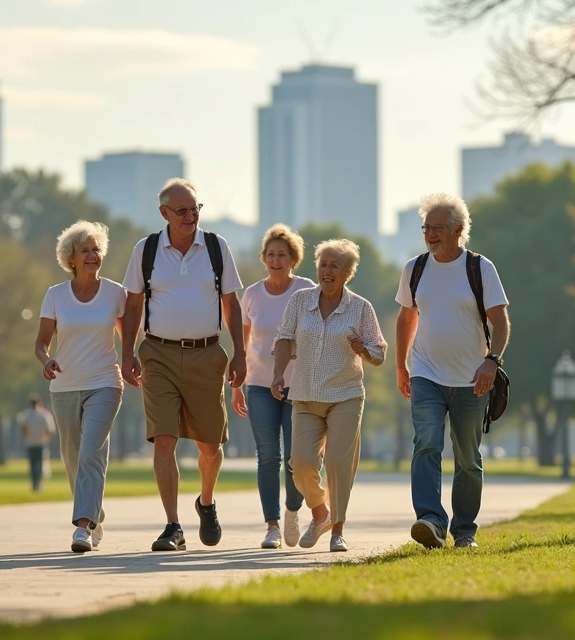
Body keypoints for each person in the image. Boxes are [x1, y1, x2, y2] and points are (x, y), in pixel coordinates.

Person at [120, 178, 245, 552]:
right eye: (182, 211)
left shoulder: (216, 247)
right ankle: (172, 525)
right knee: (164, 439)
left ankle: (205, 502)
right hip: (157, 354)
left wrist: (239, 352)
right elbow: (132, 305)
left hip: (207, 354)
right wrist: (127, 353)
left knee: (210, 446)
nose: (190, 217)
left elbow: (232, 305)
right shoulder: (147, 250)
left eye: (195, 209)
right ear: (164, 214)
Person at [395, 193, 510, 549]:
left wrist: (492, 360)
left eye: (438, 228)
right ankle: (430, 520)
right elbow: (406, 317)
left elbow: (501, 321)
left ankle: (464, 532)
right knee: (426, 442)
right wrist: (401, 364)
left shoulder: (479, 268)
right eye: (426, 227)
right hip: (425, 373)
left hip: (472, 379)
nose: (430, 234)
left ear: (458, 230)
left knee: (468, 459)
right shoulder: (415, 269)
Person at [271, 239, 386, 553]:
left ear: (348, 273)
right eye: (323, 264)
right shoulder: (300, 301)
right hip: (305, 395)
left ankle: (338, 530)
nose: (327, 270)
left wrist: (364, 348)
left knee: (337, 462)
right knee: (301, 463)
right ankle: (320, 514)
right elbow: (284, 337)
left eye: (335, 265)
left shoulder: (361, 308)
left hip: (345, 395)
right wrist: (279, 373)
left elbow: (379, 353)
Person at [35, 220, 126, 554]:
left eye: (97, 249)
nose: (93, 255)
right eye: (85, 250)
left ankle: (82, 528)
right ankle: (96, 513)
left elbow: (127, 336)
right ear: (70, 258)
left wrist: (132, 361)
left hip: (105, 382)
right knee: (72, 458)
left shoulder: (116, 293)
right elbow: (41, 343)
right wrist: (46, 361)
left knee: (91, 453)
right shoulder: (55, 295)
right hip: (64, 386)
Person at [232, 224, 314, 549]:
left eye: (282, 255)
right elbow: (243, 342)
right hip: (259, 385)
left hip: (299, 387)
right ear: (264, 258)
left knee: (297, 458)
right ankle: (272, 526)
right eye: (270, 255)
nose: (276, 260)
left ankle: (293, 510)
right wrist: (237, 385)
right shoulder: (252, 294)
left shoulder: (307, 290)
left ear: (294, 259)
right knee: (267, 456)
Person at [19, 396, 55, 493]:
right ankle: (37, 484)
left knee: (33, 464)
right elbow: (49, 429)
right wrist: (46, 439)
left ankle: (35, 484)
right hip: (40, 442)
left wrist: (26, 437)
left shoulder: (27, 414)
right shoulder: (43, 415)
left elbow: (23, 428)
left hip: (31, 443)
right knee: (39, 464)